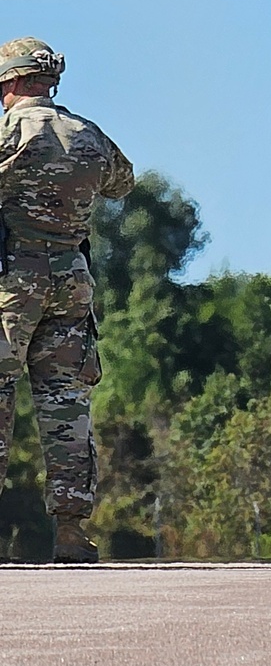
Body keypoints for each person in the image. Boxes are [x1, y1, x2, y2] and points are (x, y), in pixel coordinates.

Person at [0, 38, 134, 563]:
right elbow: (122, 183)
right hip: (72, 284)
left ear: (10, 82)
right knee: (66, 407)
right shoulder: (87, 134)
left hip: (13, 282)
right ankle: (72, 533)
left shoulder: (9, 132)